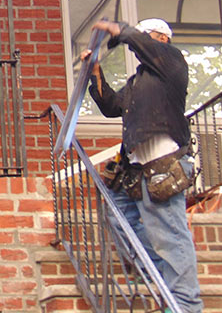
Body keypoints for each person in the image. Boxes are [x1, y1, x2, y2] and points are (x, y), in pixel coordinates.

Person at [81, 18, 203, 313]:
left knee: (170, 237)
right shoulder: (140, 82)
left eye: (146, 36)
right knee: (118, 218)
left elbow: (142, 44)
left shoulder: (172, 64)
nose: (141, 43)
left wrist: (120, 30)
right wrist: (95, 71)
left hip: (163, 165)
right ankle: (163, 281)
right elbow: (112, 106)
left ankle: (185, 306)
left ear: (161, 38)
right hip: (137, 170)